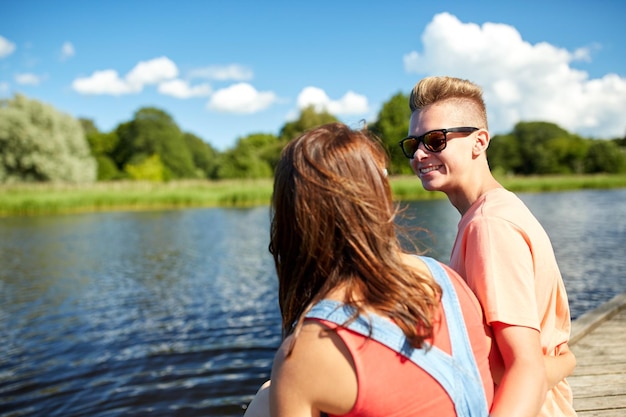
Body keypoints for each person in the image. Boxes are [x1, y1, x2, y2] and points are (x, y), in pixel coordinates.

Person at [245, 122, 494, 416]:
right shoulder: (445, 278)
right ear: (379, 198)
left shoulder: (304, 355)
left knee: (263, 402)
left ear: (293, 217)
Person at [401, 76, 576, 417]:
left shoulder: (489, 226)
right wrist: (566, 361)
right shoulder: (492, 212)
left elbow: (524, 368)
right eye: (413, 144)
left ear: (479, 142)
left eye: (436, 140)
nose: (420, 154)